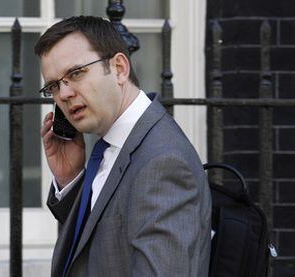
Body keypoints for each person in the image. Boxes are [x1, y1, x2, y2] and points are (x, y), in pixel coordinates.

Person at [35, 16, 211, 277]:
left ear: (118, 68)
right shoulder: (114, 144)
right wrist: (71, 179)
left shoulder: (163, 162)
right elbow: (97, 246)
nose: (64, 94)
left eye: (75, 74)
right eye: (53, 85)